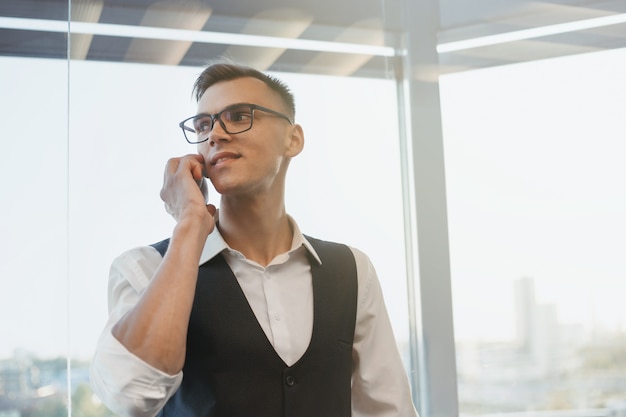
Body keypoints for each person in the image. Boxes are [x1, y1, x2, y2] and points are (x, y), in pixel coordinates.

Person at [90, 61, 418, 417]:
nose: (215, 134)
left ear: (293, 139)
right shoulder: (145, 268)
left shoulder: (351, 270)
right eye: (203, 124)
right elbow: (131, 396)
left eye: (238, 116)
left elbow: (390, 409)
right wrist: (188, 224)